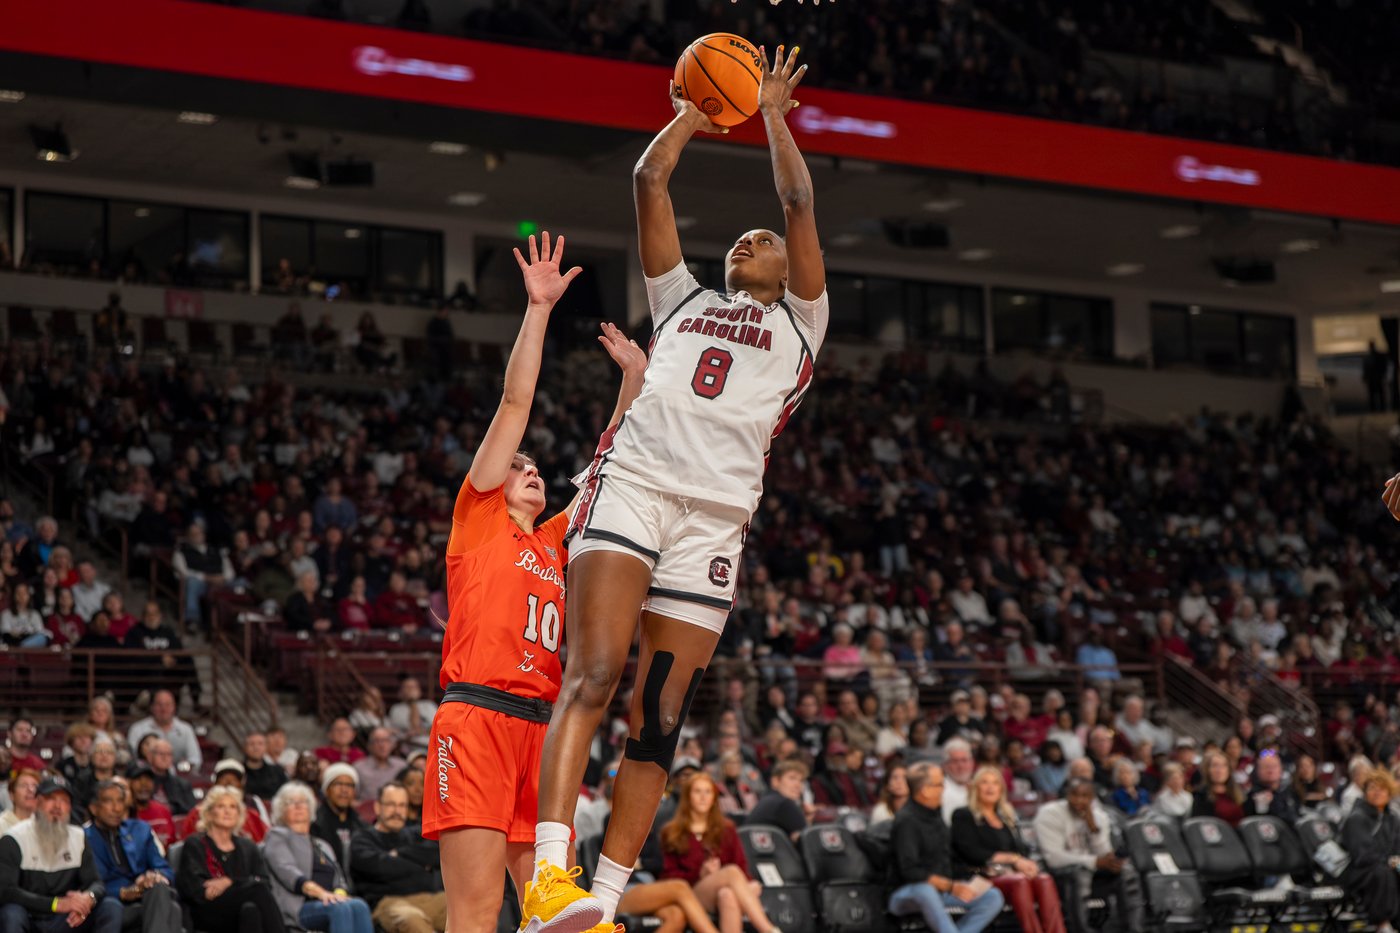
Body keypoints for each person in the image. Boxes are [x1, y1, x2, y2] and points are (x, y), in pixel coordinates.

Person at [527, 42, 828, 933]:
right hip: (635, 486)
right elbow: (648, 182)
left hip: (715, 523)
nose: (749, 240)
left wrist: (770, 115)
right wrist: (694, 113)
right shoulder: (682, 300)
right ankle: (549, 876)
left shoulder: (802, 325)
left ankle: (602, 905)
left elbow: (798, 201)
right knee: (594, 672)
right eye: (740, 238)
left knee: (659, 718)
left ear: (788, 270)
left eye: (761, 241)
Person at [424, 231, 647, 933]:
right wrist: (540, 309)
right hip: (476, 720)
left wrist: (633, 386)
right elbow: (516, 402)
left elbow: (608, 468)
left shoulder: (552, 540)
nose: (531, 470)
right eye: (519, 465)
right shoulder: (479, 515)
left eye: (535, 468)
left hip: (541, 732)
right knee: (476, 913)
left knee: (556, 916)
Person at [888, 763, 1005, 933]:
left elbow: (947, 859)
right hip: (905, 893)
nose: (944, 789)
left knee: (992, 896)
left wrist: (975, 875)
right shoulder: (906, 821)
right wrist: (950, 886)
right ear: (925, 790)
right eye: (940, 784)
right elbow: (910, 871)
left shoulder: (936, 816)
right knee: (926, 891)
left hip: (941, 891)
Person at [658, 773, 781, 933]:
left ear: (714, 797)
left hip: (727, 891)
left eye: (708, 792)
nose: (703, 797)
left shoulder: (727, 829)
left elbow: (741, 866)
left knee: (727, 894)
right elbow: (668, 878)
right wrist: (700, 874)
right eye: (697, 791)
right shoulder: (672, 831)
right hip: (690, 894)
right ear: (688, 796)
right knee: (730, 872)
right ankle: (769, 929)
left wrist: (749, 885)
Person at [950, 767, 1065, 933]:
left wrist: (1026, 864)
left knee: (1044, 879)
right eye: (984, 782)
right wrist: (1013, 859)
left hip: (1012, 873)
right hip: (981, 875)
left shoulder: (1007, 817)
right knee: (1020, 881)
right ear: (975, 788)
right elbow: (970, 851)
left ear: (1001, 789)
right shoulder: (963, 815)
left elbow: (1022, 850)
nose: (990, 787)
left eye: (995, 783)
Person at [0, 776, 120, 933]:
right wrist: (56, 904)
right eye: (51, 798)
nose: (58, 806)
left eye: (64, 801)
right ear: (37, 802)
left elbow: (96, 883)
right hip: (30, 915)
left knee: (110, 906)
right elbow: (6, 891)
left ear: (70, 807)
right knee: (11, 913)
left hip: (66, 918)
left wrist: (88, 899)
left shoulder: (78, 836)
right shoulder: (15, 838)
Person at [1033, 778, 1145, 933]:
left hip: (1092, 869)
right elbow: (1053, 858)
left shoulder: (1099, 816)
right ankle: (1083, 929)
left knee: (1127, 871)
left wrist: (1093, 829)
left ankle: (1134, 928)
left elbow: (1104, 853)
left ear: (1093, 798)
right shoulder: (1049, 814)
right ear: (1066, 795)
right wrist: (1094, 862)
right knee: (1081, 874)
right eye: (1075, 795)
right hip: (1060, 872)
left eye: (1085, 796)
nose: (1079, 800)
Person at [263, 783, 372, 933]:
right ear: (281, 811)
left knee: (359, 906)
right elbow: (286, 870)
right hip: (299, 907)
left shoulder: (322, 845)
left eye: (303, 802)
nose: (298, 806)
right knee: (339, 909)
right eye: (290, 802)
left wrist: (338, 894)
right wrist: (321, 893)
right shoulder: (277, 836)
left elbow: (339, 879)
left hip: (328, 902)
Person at [175, 787, 285, 933]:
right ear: (209, 813)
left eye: (233, 807)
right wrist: (241, 885)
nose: (227, 811)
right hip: (207, 911)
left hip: (240, 909)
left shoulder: (248, 846)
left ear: (239, 814)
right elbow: (195, 889)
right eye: (221, 806)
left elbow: (264, 881)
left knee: (250, 909)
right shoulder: (195, 843)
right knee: (257, 891)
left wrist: (229, 882)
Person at [84, 780, 181, 933]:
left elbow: (165, 869)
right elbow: (88, 884)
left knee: (159, 888)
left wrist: (154, 877)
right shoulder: (84, 838)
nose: (116, 808)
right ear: (94, 808)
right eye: (109, 801)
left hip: (145, 897)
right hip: (111, 903)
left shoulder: (140, 830)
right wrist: (124, 892)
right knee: (173, 910)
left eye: (120, 801)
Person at [349, 783, 445, 933]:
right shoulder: (363, 838)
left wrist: (400, 854)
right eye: (391, 805)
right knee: (411, 919)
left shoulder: (415, 833)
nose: (397, 811)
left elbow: (438, 853)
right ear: (377, 807)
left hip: (430, 898)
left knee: (468, 908)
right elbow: (381, 868)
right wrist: (421, 865)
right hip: (389, 902)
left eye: (402, 805)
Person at [1339, 768, 1400, 929]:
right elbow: (1362, 855)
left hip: (1384, 866)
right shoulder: (1356, 818)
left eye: (1382, 789)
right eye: (1372, 788)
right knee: (1383, 873)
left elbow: (1397, 848)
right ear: (1365, 792)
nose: (1377, 792)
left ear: (1389, 793)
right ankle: (1383, 924)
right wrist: (1390, 861)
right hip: (1359, 871)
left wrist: (1396, 861)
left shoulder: (1392, 818)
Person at [175, 761, 269, 843]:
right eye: (223, 779)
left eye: (234, 780)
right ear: (215, 783)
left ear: (241, 784)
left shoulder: (252, 815)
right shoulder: (196, 814)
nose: (228, 783)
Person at [171, 523, 232, 629]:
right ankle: (192, 619)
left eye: (198, 533)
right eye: (193, 534)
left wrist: (223, 578)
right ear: (188, 536)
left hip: (221, 582)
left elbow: (230, 571)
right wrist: (205, 577)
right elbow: (182, 572)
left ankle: (236, 621)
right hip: (200, 585)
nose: (196, 536)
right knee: (192, 582)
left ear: (204, 535)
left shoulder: (217, 551)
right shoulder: (181, 552)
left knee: (242, 582)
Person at [127, 692, 201, 770]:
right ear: (152, 707)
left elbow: (195, 760)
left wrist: (175, 769)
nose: (164, 709)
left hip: (178, 774)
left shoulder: (186, 729)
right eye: (159, 705)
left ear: (174, 707)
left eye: (167, 705)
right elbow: (133, 759)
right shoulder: (137, 729)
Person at [311, 766, 365, 871]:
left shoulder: (361, 825)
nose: (344, 790)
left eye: (349, 785)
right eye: (338, 784)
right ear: (327, 789)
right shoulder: (315, 824)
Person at [743, 761, 809, 842]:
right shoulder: (783, 803)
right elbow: (808, 839)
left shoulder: (769, 799)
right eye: (792, 778)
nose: (798, 785)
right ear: (775, 781)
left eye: (801, 781)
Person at [124, 765, 175, 848]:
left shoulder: (163, 811)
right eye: (138, 779)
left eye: (148, 779)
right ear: (128, 783)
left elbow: (173, 844)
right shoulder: (122, 815)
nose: (144, 784)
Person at [1191, 749, 1245, 826]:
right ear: (1207, 770)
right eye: (1215, 766)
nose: (1219, 770)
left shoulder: (1238, 793)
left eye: (1224, 766)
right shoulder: (1201, 796)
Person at [353, 730, 404, 803]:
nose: (382, 745)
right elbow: (353, 799)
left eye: (386, 740)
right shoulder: (358, 768)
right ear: (370, 746)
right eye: (377, 741)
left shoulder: (401, 766)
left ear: (392, 744)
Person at [387, 679, 435, 754]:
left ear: (420, 691)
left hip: (431, 745)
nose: (411, 689)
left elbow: (438, 727)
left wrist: (421, 731)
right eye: (408, 687)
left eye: (414, 687)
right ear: (401, 692)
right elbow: (397, 731)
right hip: (407, 747)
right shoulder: (396, 709)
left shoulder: (429, 705)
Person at [243, 732, 287, 802]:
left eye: (260, 744)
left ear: (266, 747)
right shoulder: (239, 772)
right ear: (245, 747)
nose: (256, 748)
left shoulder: (277, 772)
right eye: (252, 744)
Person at [940, 738, 975, 823]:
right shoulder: (940, 789)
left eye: (964, 760)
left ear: (972, 763)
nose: (960, 766)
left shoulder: (979, 786)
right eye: (955, 761)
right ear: (945, 765)